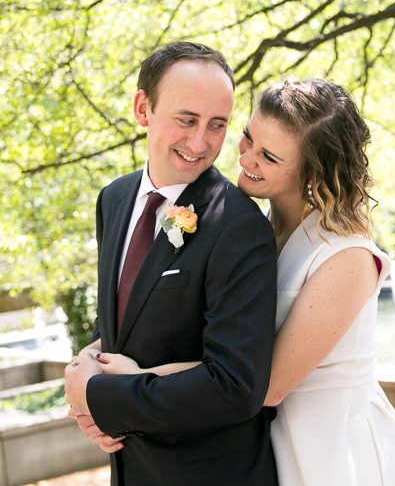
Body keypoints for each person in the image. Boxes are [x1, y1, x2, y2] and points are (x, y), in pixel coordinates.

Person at [95, 79, 395, 486]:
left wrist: (137, 378)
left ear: (311, 171)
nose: (246, 158)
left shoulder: (347, 257)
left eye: (268, 156)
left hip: (331, 447)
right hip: (261, 442)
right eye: (248, 137)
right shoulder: (254, 228)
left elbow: (264, 384)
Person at [63, 42, 279, 486]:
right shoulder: (113, 199)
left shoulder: (239, 226)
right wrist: (90, 394)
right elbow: (127, 318)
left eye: (216, 125)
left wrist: (103, 396)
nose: (200, 143)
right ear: (143, 108)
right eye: (187, 120)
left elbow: (235, 387)